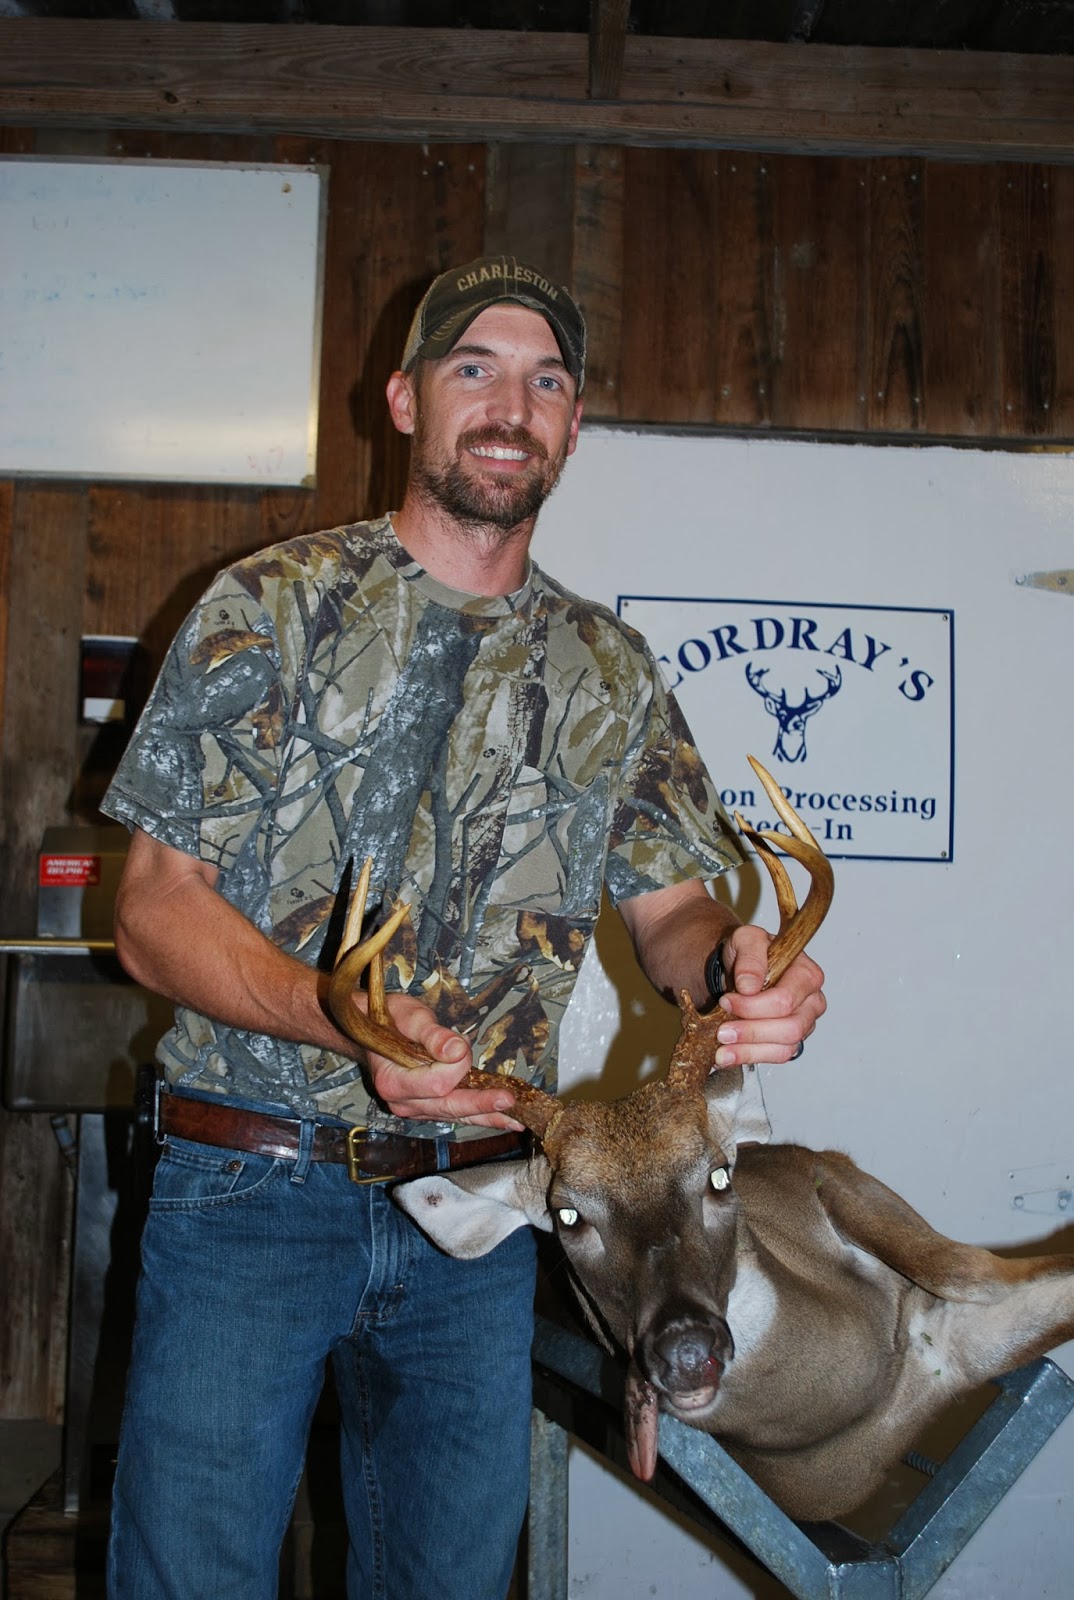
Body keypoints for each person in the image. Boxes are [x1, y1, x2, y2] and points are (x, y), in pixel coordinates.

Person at [102, 254, 826, 1600]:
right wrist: (332, 1011)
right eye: (474, 369)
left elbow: (670, 906)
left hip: (484, 1215)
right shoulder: (264, 610)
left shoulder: (608, 668)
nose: (511, 404)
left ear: (569, 426)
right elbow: (149, 911)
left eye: (545, 380)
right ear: (402, 399)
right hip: (252, 1192)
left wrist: (732, 968)